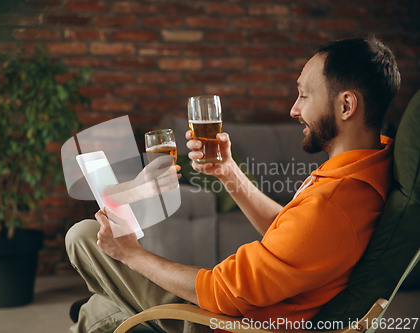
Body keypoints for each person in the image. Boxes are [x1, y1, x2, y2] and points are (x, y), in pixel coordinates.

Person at [65, 36, 400, 333]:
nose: (294, 109)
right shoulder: (365, 167)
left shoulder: (335, 203)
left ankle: (104, 306)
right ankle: (102, 308)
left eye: (304, 95)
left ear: (346, 105)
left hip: (229, 326)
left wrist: (131, 254)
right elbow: (290, 234)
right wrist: (227, 171)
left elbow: (218, 291)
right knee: (99, 314)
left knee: (82, 237)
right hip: (247, 312)